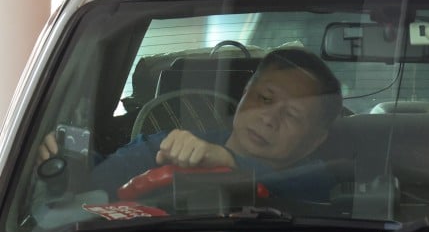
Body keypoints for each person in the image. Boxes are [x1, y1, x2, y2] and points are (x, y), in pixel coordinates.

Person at [38, 47, 345, 202]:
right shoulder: (165, 147)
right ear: (244, 95)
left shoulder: (317, 182)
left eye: (292, 115)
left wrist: (228, 162)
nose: (269, 118)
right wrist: (67, 163)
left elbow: (304, 187)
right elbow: (93, 189)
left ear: (316, 139)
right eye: (265, 99)